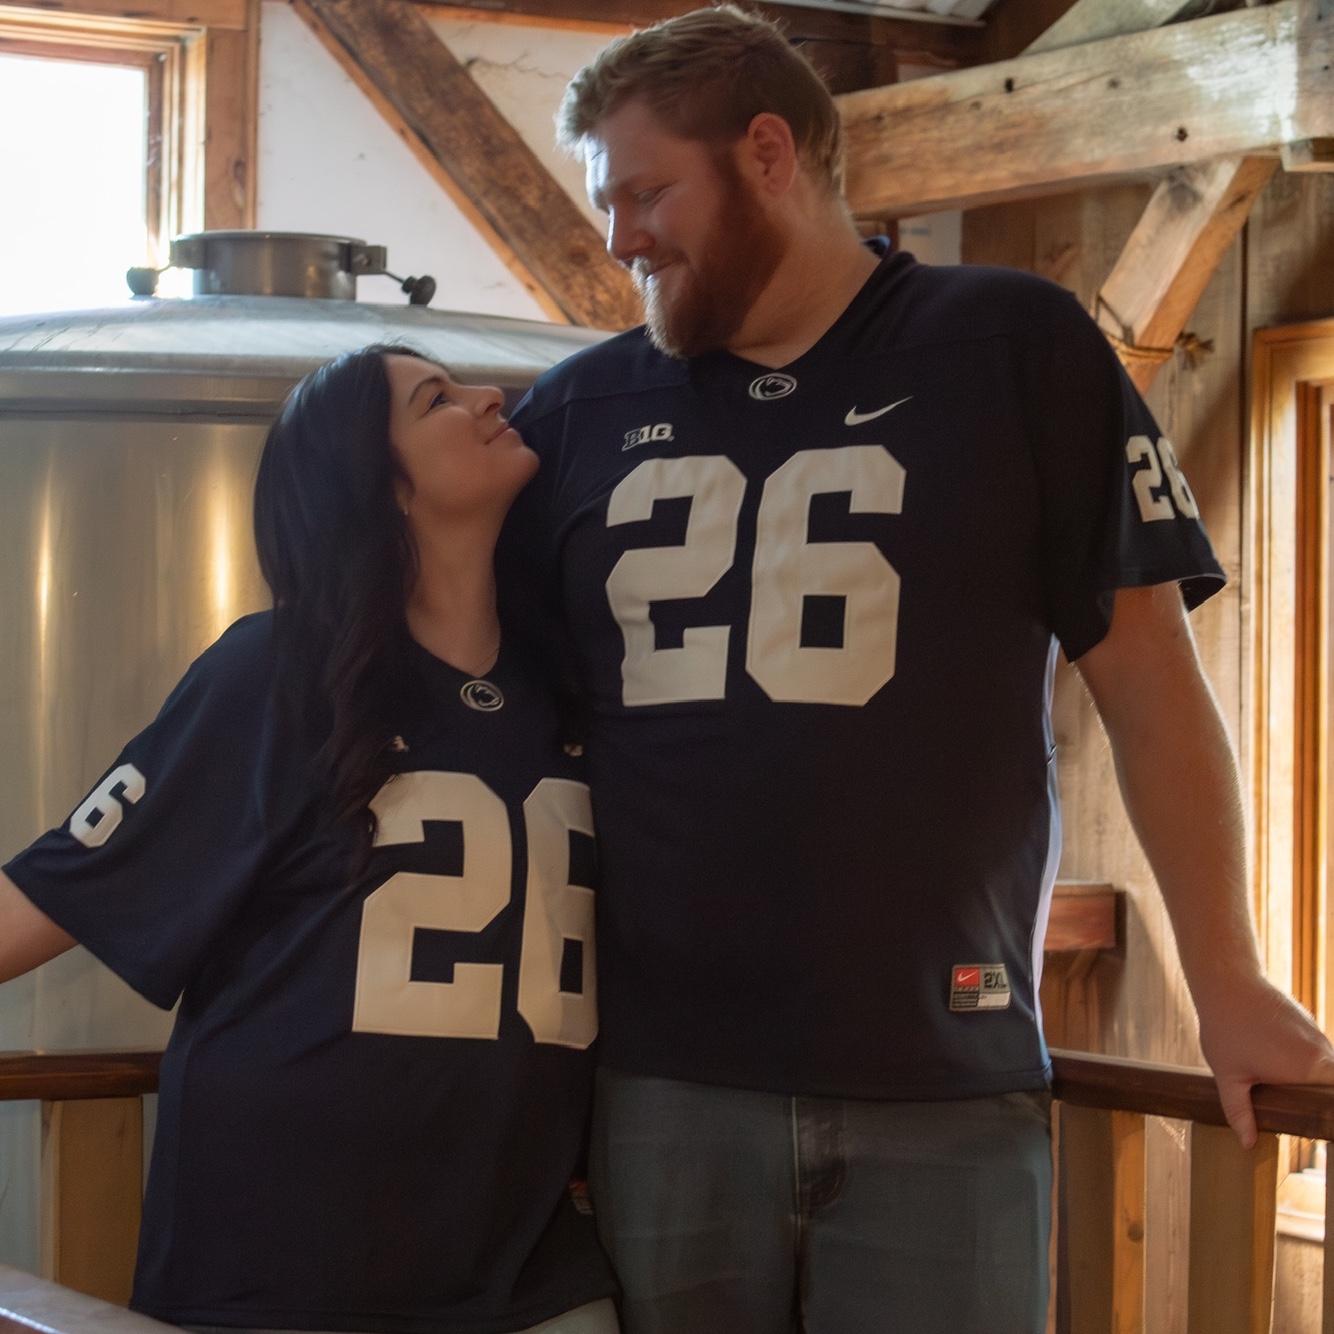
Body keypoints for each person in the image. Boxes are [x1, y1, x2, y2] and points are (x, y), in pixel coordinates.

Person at [502, 7, 1334, 1331]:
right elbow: (504, 738)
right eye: (608, 203)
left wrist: (1226, 985)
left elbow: (1150, 683)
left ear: (766, 153)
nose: (618, 239)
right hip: (660, 1081)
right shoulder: (573, 410)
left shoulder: (1012, 347)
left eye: (644, 192)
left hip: (944, 1074)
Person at [0, 345, 618, 1334]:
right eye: (437, 400)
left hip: (524, 1265)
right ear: (379, 484)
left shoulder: (569, 686)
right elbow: (50, 895)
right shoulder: (278, 670)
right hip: (284, 1266)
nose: (489, 397)